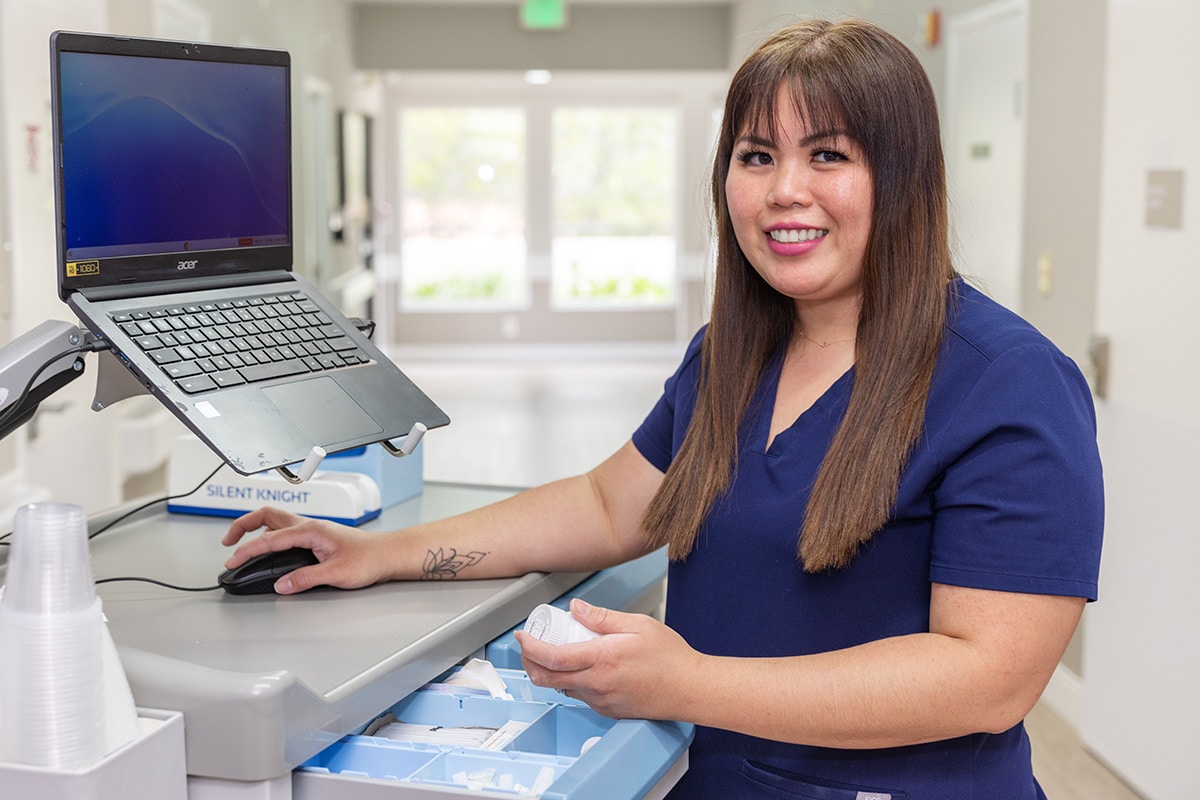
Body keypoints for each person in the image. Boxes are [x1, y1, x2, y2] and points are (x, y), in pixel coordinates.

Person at [222, 17, 1103, 799]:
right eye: (756, 156)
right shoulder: (734, 351)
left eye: (827, 155)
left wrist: (689, 684)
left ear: (905, 180)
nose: (783, 190)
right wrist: (379, 553)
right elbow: (609, 505)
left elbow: (987, 677)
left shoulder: (1008, 383)